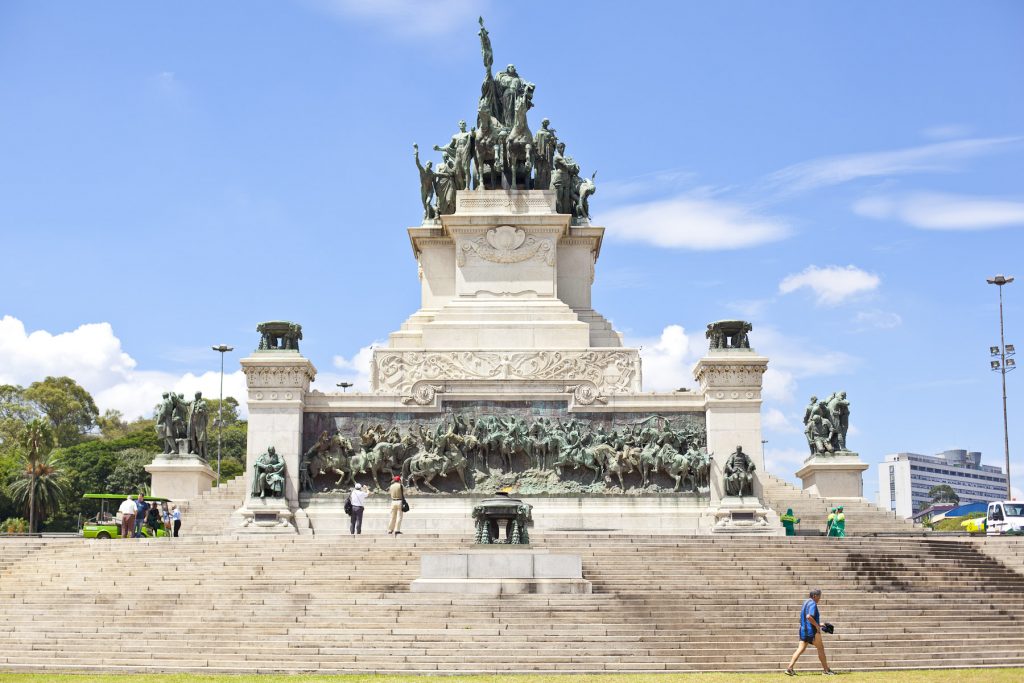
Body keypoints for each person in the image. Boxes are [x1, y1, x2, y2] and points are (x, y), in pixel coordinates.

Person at [786, 589, 835, 676]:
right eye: (819, 596)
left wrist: (820, 624)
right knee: (821, 648)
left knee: (800, 649)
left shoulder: (805, 603)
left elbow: (804, 618)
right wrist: (816, 626)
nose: (820, 598)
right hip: (812, 631)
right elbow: (809, 617)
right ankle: (826, 670)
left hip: (803, 630)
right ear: (815, 596)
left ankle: (789, 668)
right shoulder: (813, 603)